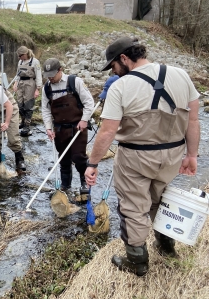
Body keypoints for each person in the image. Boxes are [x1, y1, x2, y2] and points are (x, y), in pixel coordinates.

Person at [85, 37, 200, 276]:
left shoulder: (121, 86)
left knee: (133, 207)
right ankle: (166, 245)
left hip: (135, 157)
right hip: (172, 155)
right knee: (161, 200)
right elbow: (193, 119)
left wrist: (93, 163)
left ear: (124, 58)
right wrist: (191, 155)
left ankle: (136, 261)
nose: (114, 72)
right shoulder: (180, 75)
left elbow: (107, 132)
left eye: (114, 66)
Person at [41, 58, 95, 199]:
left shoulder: (74, 82)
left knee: (78, 156)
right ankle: (66, 185)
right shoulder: (47, 88)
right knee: (63, 158)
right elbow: (45, 110)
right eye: (48, 75)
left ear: (60, 70)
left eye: (53, 74)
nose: (50, 78)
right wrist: (48, 128)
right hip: (59, 128)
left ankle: (84, 182)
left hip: (78, 127)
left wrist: (84, 120)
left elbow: (89, 102)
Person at [12, 46, 42, 136]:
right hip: (21, 83)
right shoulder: (20, 61)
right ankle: (23, 121)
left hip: (30, 84)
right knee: (19, 105)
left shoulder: (35, 62)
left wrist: (37, 89)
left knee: (28, 106)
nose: (19, 57)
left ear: (25, 54)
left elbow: (38, 75)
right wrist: (15, 83)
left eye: (20, 55)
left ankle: (27, 126)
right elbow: (17, 74)